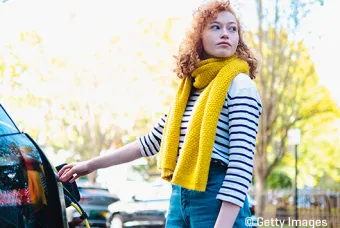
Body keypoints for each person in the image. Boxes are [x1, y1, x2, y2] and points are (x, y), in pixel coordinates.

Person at [58, 1, 262, 227]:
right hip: (179, 197)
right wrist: (89, 165)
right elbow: (150, 142)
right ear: (199, 37)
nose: (225, 34)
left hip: (218, 200)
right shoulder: (190, 89)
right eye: (215, 27)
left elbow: (241, 167)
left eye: (232, 28)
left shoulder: (240, 85)